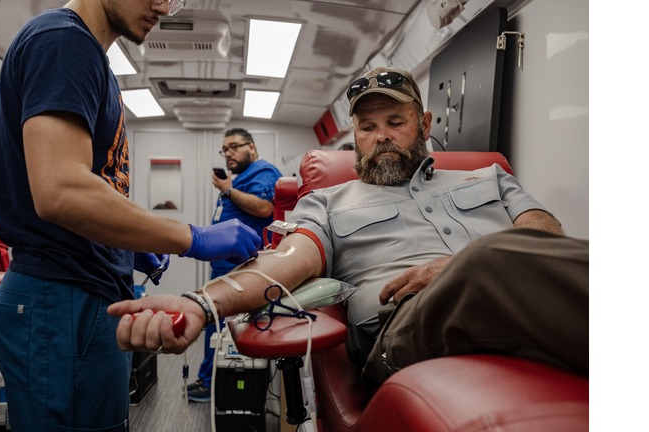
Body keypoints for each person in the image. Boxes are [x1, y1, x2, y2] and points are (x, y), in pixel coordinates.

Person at [107, 66, 588, 395]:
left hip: (509, 303)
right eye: (366, 126)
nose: (380, 136)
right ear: (354, 134)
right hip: (402, 331)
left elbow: (543, 235)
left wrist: (459, 266)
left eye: (396, 122)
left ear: (423, 123)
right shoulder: (326, 202)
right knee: (487, 263)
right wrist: (200, 303)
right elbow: (282, 264)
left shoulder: (489, 177)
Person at [0, 0, 263, 430]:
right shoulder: (63, 41)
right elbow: (60, 191)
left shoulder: (89, 57)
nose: (165, 8)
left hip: (81, 290)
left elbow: (91, 185)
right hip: (60, 298)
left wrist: (123, 246)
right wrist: (193, 237)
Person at [187, 128, 283, 402]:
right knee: (215, 325)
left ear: (251, 148)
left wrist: (228, 190)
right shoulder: (242, 177)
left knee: (219, 326)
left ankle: (214, 383)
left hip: (239, 269)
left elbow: (265, 208)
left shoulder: (264, 171)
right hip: (225, 267)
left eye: (234, 147)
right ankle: (213, 379)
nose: (228, 153)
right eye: (224, 149)